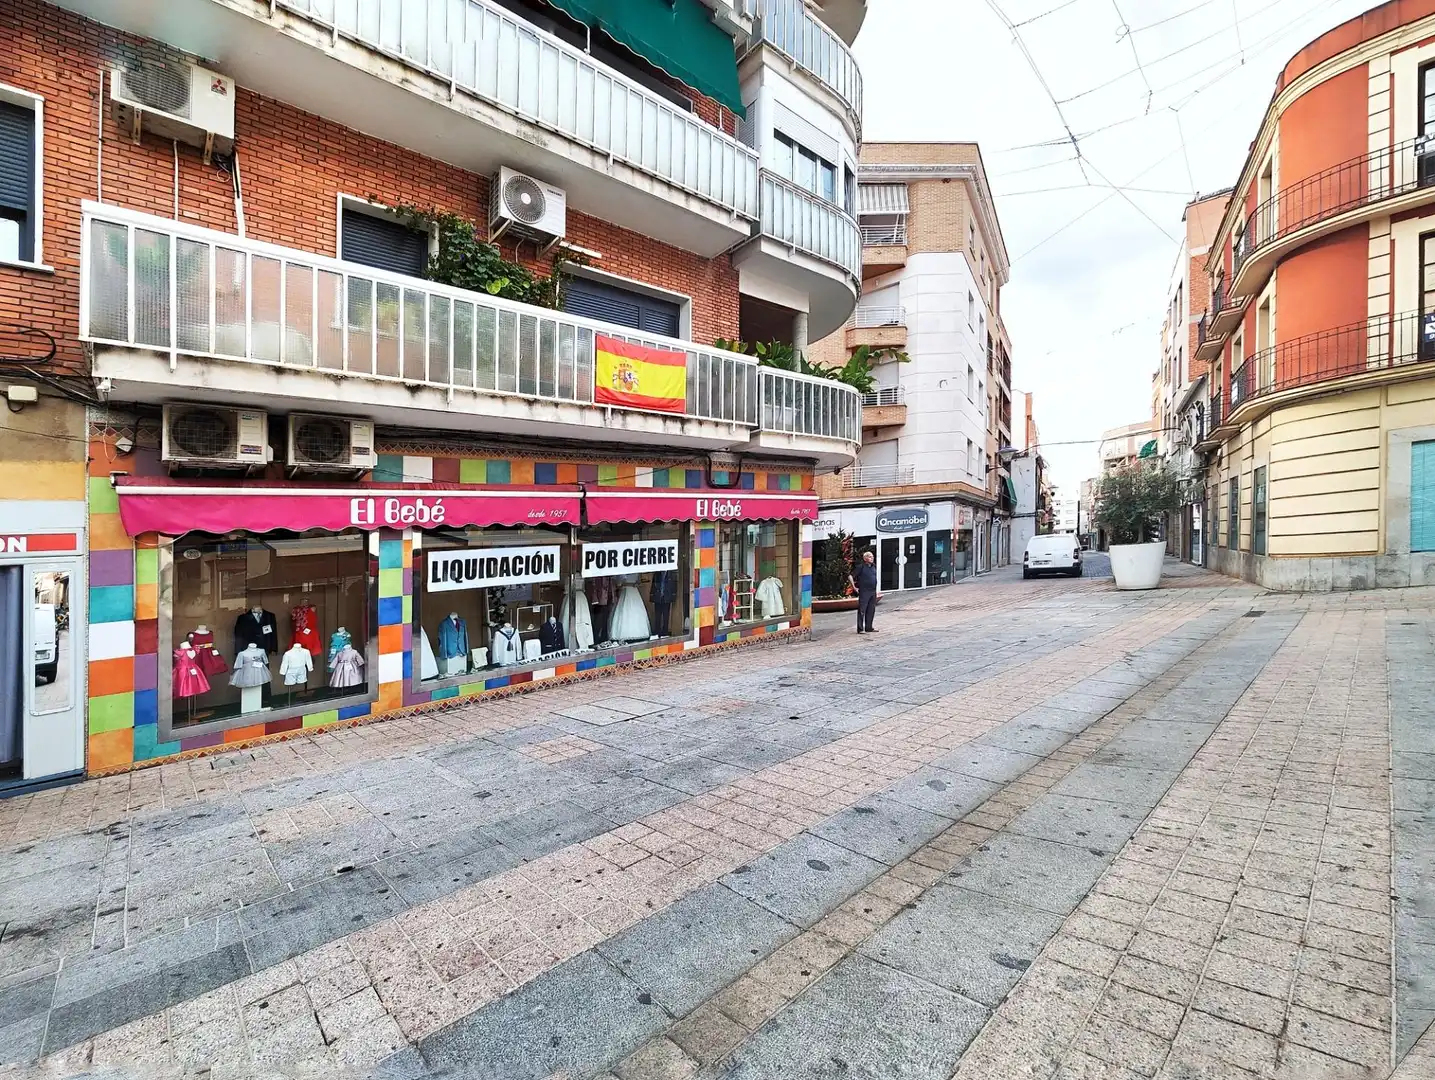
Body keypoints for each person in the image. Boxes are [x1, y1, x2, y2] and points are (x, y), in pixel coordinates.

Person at [849, 550, 880, 633]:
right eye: (870, 556)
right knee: (862, 610)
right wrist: (854, 587)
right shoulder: (861, 567)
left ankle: (869, 627)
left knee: (871, 609)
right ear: (865, 558)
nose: (872, 558)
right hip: (864, 591)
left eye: (872, 557)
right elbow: (851, 576)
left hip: (872, 591)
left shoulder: (873, 566)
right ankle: (860, 629)